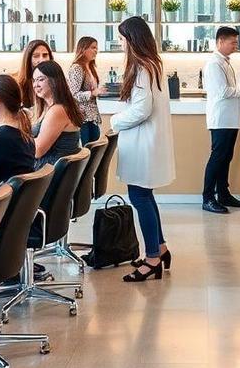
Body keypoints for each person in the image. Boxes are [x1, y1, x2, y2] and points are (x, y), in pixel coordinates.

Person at [110, 16, 176, 282]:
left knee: (139, 197)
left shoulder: (141, 68)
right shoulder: (152, 64)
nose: (120, 43)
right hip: (147, 143)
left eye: (121, 38)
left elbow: (142, 109)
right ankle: (160, 248)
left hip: (142, 144)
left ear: (131, 39)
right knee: (145, 196)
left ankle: (152, 260)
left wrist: (115, 121)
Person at [201, 26, 240, 214]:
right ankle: (208, 198)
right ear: (220, 42)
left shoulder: (225, 62)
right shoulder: (214, 64)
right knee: (218, 158)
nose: (235, 46)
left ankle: (223, 194)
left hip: (229, 118)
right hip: (221, 119)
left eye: (236, 42)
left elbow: (229, 88)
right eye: (232, 42)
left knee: (226, 158)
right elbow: (222, 91)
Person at [30, 60, 83, 166]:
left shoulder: (57, 111)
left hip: (48, 173)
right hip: (50, 170)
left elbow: (37, 151)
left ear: (54, 81)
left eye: (41, 79)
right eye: (34, 80)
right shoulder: (52, 108)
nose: (36, 85)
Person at [67, 36, 105, 146]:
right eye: (93, 47)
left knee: (93, 149)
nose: (96, 51)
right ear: (83, 49)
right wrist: (92, 93)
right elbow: (73, 94)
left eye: (96, 48)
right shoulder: (77, 68)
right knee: (86, 150)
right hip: (82, 117)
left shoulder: (90, 67)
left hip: (92, 117)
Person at [15, 39, 54, 109]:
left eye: (45, 55)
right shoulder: (19, 84)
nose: (42, 59)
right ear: (28, 59)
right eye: (36, 56)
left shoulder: (57, 80)